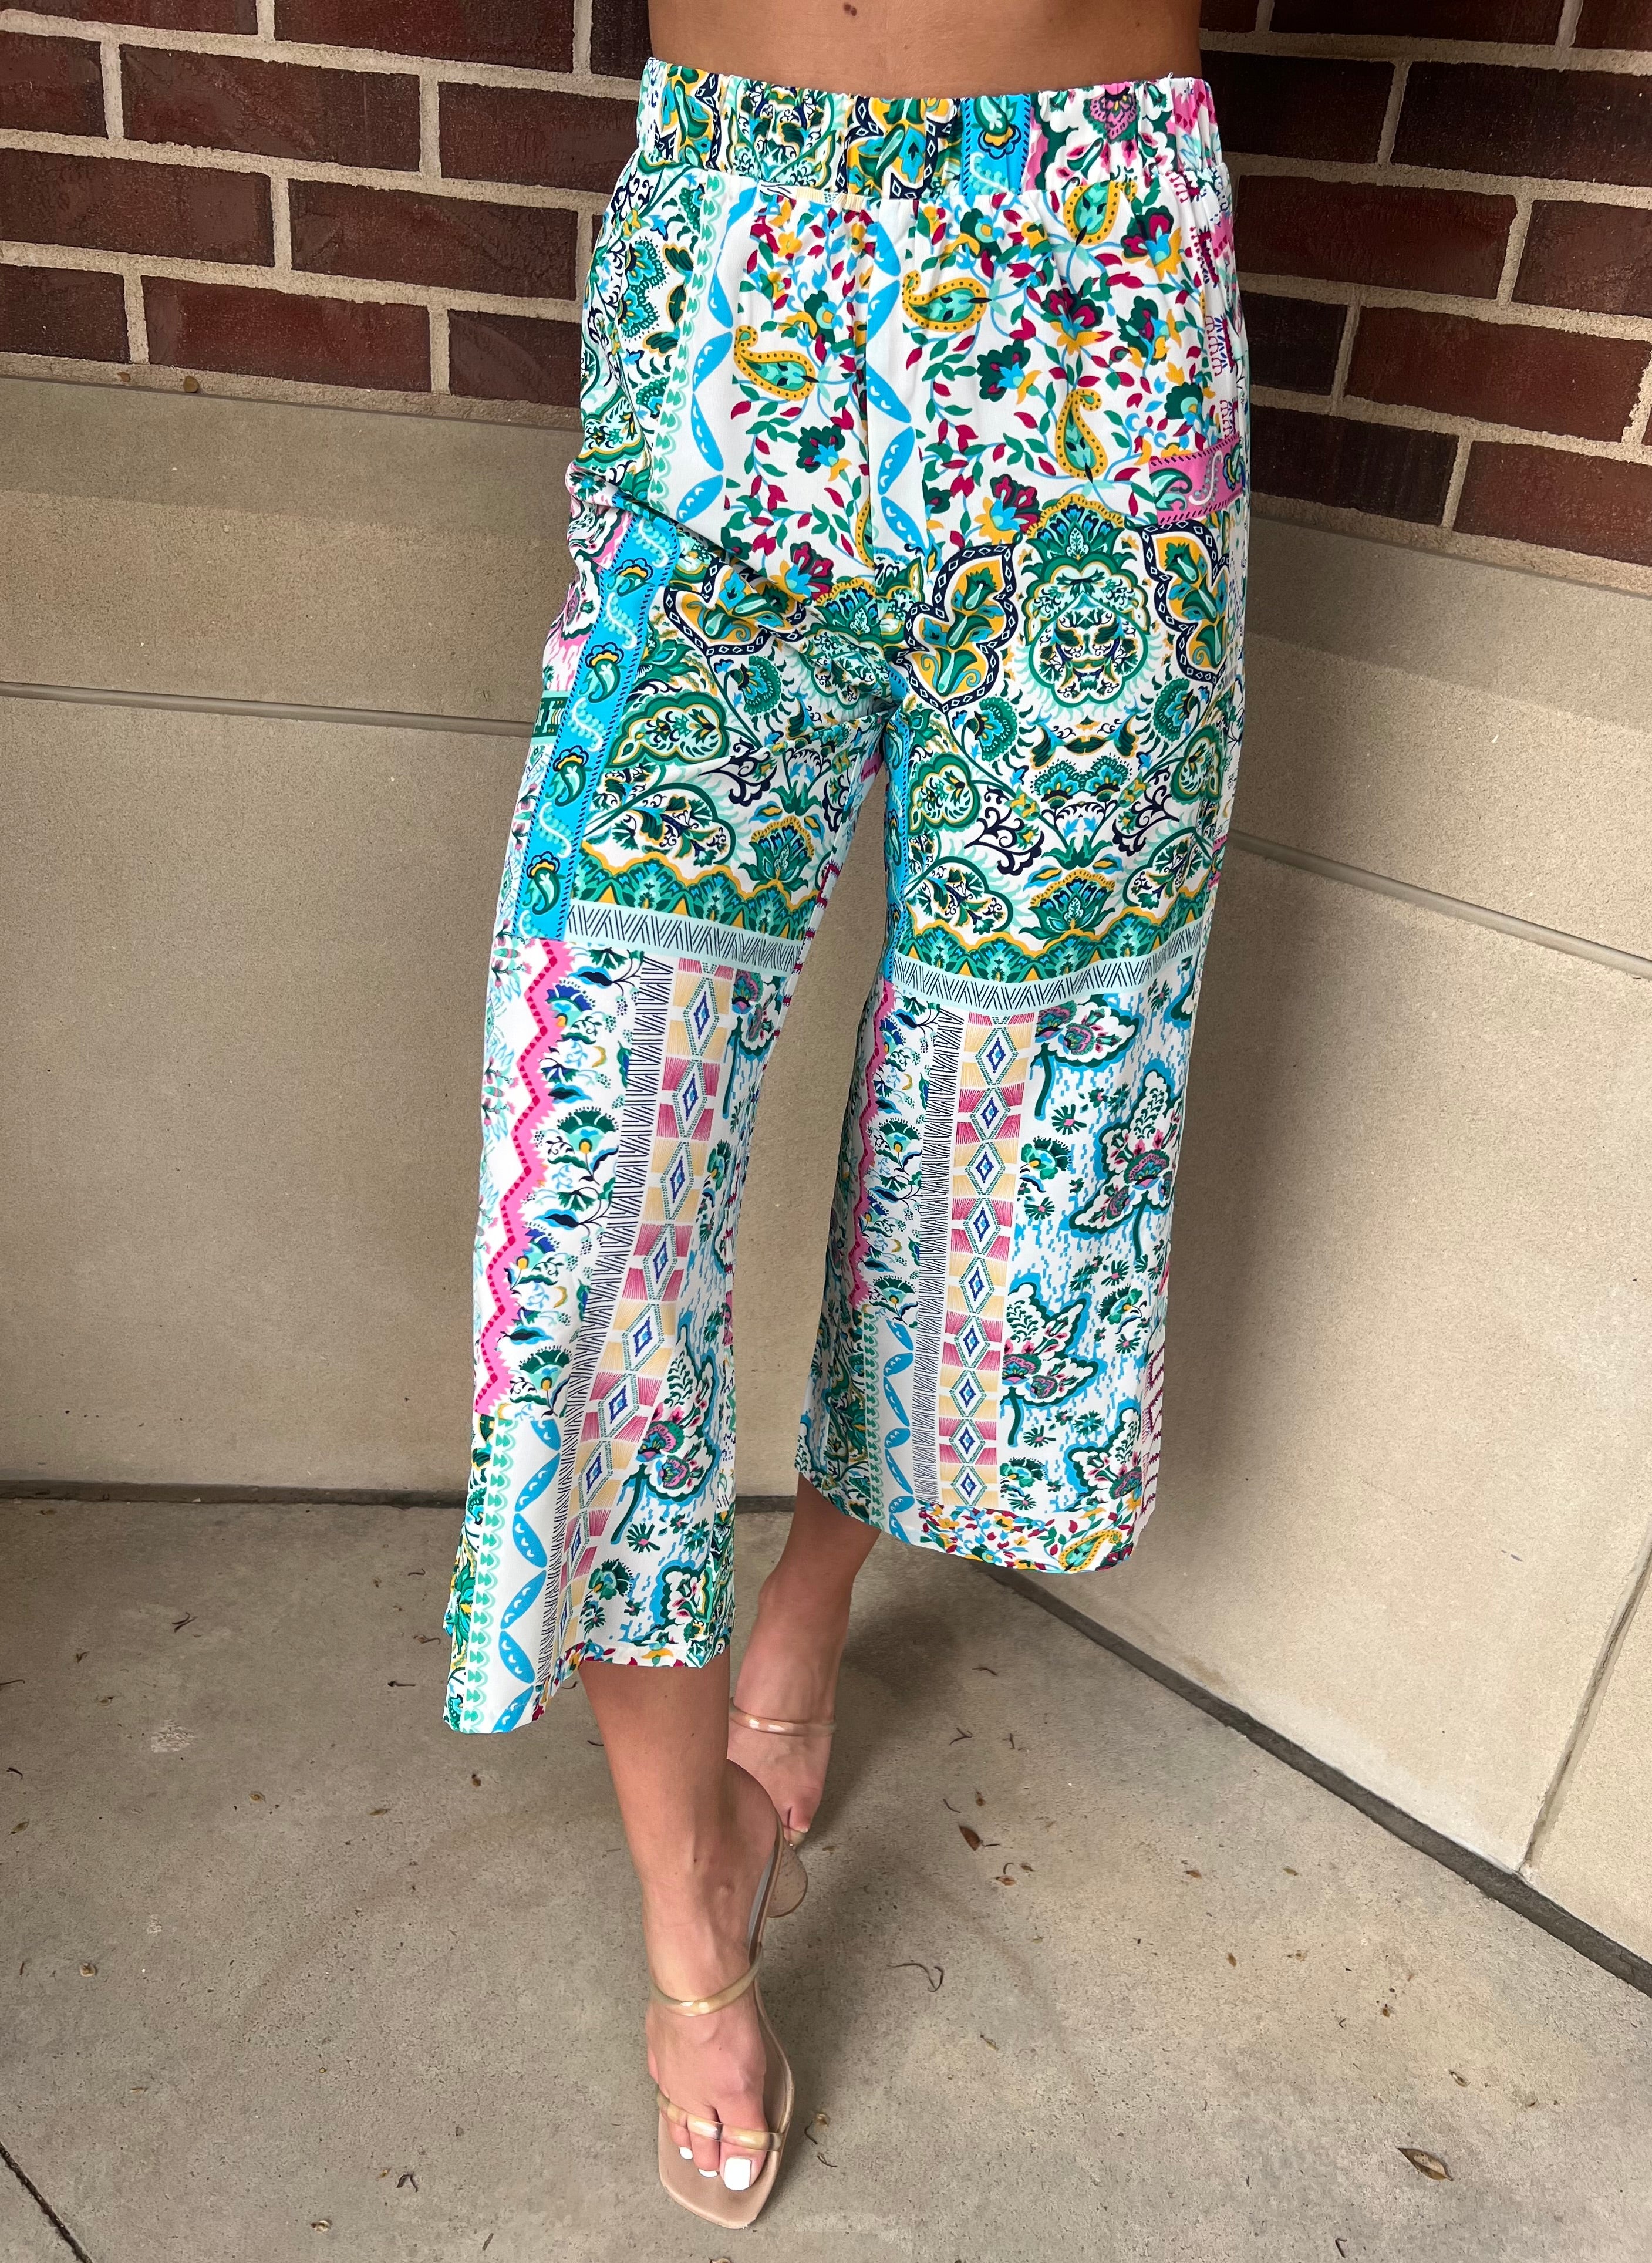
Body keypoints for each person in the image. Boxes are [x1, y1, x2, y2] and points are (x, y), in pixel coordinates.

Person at [442, 0, 1243, 2225]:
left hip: (1100, 287)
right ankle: (688, 1915)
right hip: (736, 271)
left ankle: (810, 1595)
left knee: (1018, 1102)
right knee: (602, 1149)